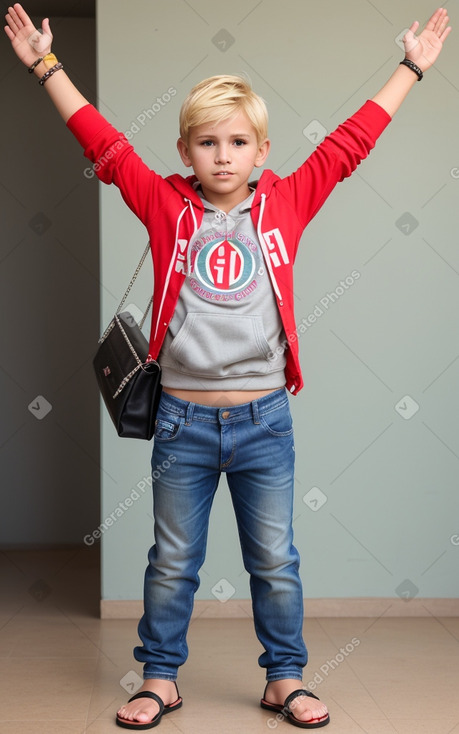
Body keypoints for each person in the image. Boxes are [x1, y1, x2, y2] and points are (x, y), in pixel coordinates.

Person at [4, 4, 451, 729]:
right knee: (171, 561)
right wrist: (45, 66)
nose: (221, 155)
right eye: (206, 142)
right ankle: (158, 677)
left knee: (273, 560)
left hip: (263, 421)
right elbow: (105, 143)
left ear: (261, 150)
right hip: (180, 421)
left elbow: (347, 146)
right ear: (184, 150)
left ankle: (284, 677)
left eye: (237, 142)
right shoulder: (163, 204)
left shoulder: (287, 202)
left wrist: (408, 68)